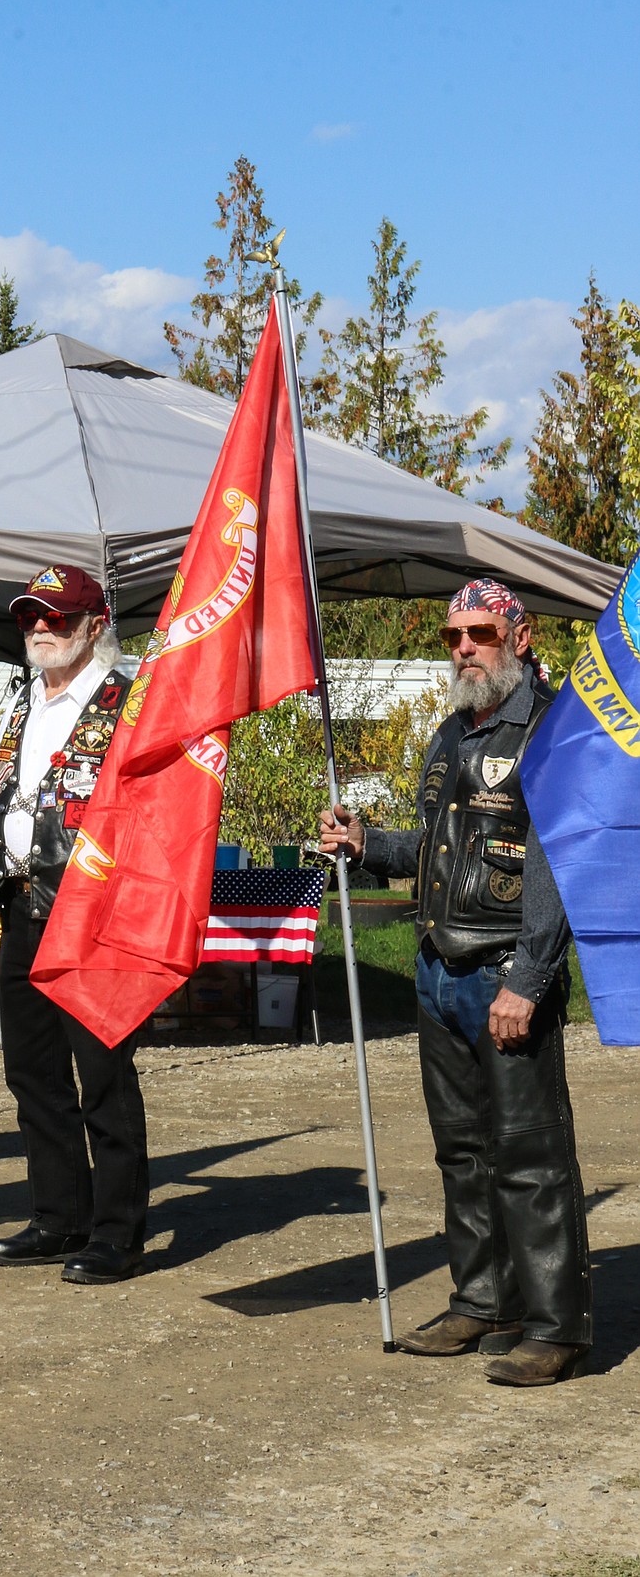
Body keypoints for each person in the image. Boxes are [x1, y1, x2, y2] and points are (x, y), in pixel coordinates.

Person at [320, 579, 592, 1385]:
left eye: (480, 631)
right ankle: (482, 1304)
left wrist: (533, 977)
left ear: (522, 634)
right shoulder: (450, 734)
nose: (465, 647)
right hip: (438, 972)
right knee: (462, 1152)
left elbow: (556, 861)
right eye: (452, 636)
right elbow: (438, 849)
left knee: (531, 1156)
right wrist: (367, 840)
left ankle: (555, 1326)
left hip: (507, 975)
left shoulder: (549, 729)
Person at [0, 563, 149, 1285]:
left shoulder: (128, 703)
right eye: (30, 618)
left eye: (54, 618)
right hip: (21, 902)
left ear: (94, 626)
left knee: (103, 1076)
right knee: (31, 1072)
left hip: (91, 911)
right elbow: (2, 790)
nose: (40, 629)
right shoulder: (26, 704)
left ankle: (118, 1231)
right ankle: (59, 1215)